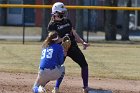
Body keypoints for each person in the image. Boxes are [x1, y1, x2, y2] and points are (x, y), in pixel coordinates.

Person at [47, 2, 90, 93]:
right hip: (61, 49)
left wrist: (82, 42)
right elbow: (54, 40)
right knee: (58, 68)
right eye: (61, 12)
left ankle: (85, 87)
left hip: (73, 47)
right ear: (55, 13)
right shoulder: (52, 25)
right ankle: (55, 88)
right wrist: (64, 42)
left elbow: (73, 33)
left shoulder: (67, 21)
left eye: (63, 12)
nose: (63, 14)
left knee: (84, 65)